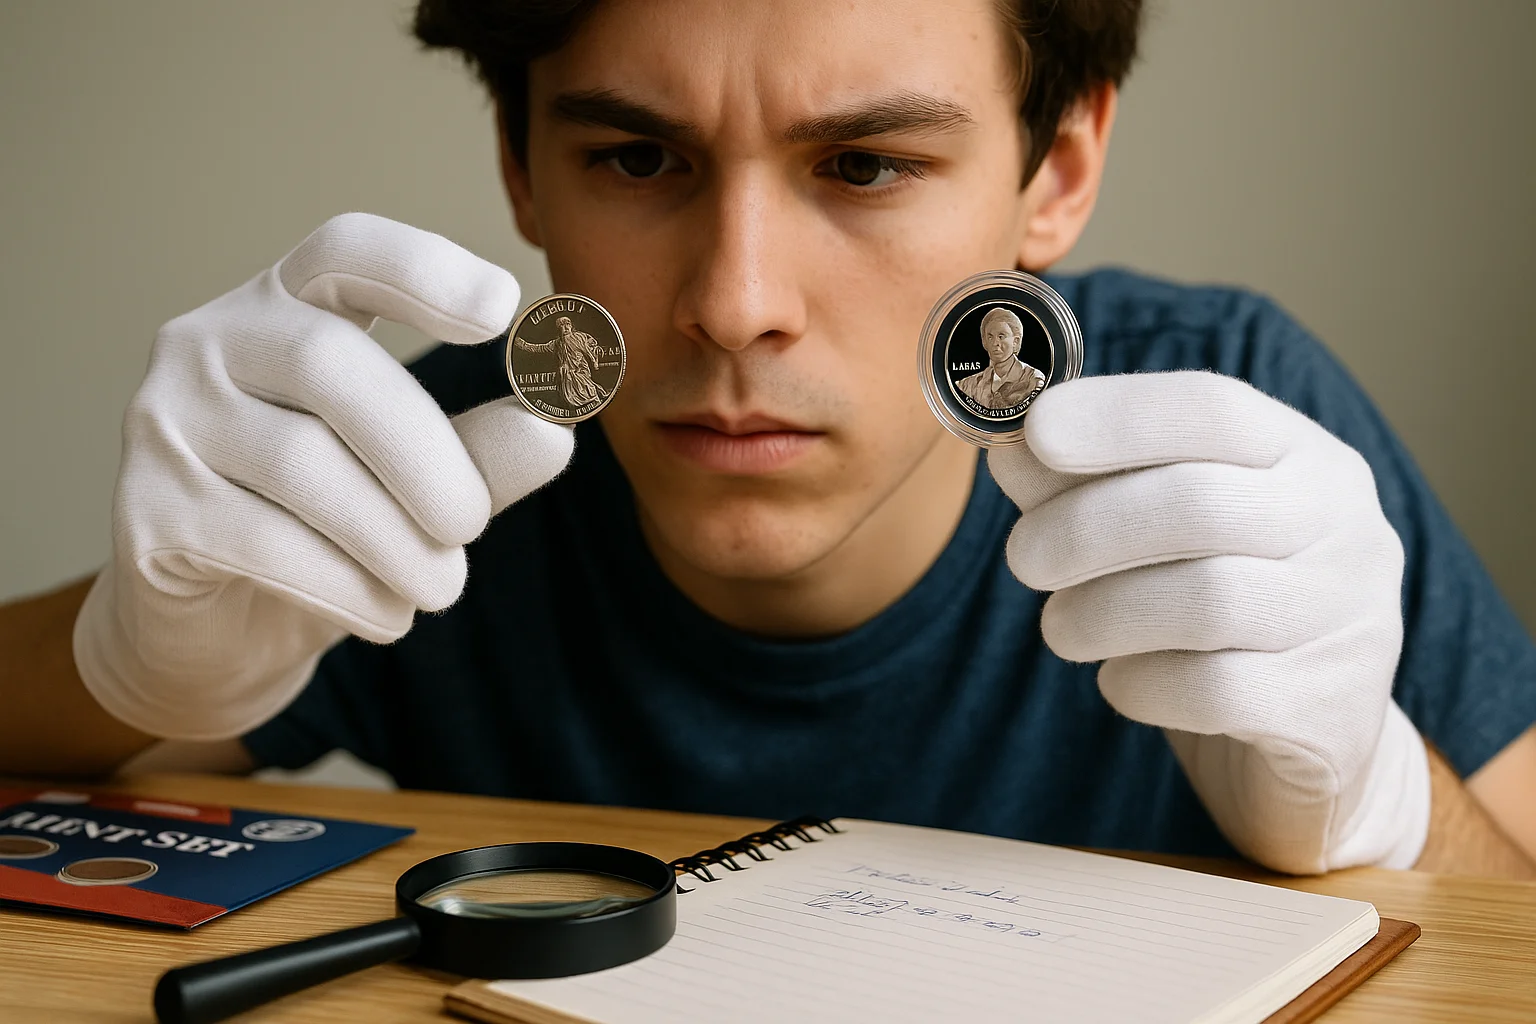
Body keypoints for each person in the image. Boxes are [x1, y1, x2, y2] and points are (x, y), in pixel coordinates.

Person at [3, 0, 1534, 880]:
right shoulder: (434, 457)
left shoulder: (1234, 436)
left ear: (1054, 171)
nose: (734, 306)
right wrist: (124, 666)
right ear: (521, 171)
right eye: (636, 156)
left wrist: (1379, 806)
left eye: (865, 164)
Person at [955, 306, 1047, 411]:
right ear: (984, 342)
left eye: (1001, 336)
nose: (995, 343)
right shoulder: (969, 385)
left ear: (1015, 341)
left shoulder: (1033, 379)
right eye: (990, 337)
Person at [516, 315, 607, 408]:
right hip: (566, 376)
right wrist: (523, 344)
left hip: (581, 371)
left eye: (568, 324)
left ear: (571, 326)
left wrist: (594, 359)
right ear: (559, 329)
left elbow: (589, 348)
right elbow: (539, 348)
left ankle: (594, 402)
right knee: (571, 396)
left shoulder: (580, 337)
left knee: (588, 389)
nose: (566, 327)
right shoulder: (556, 344)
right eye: (562, 325)